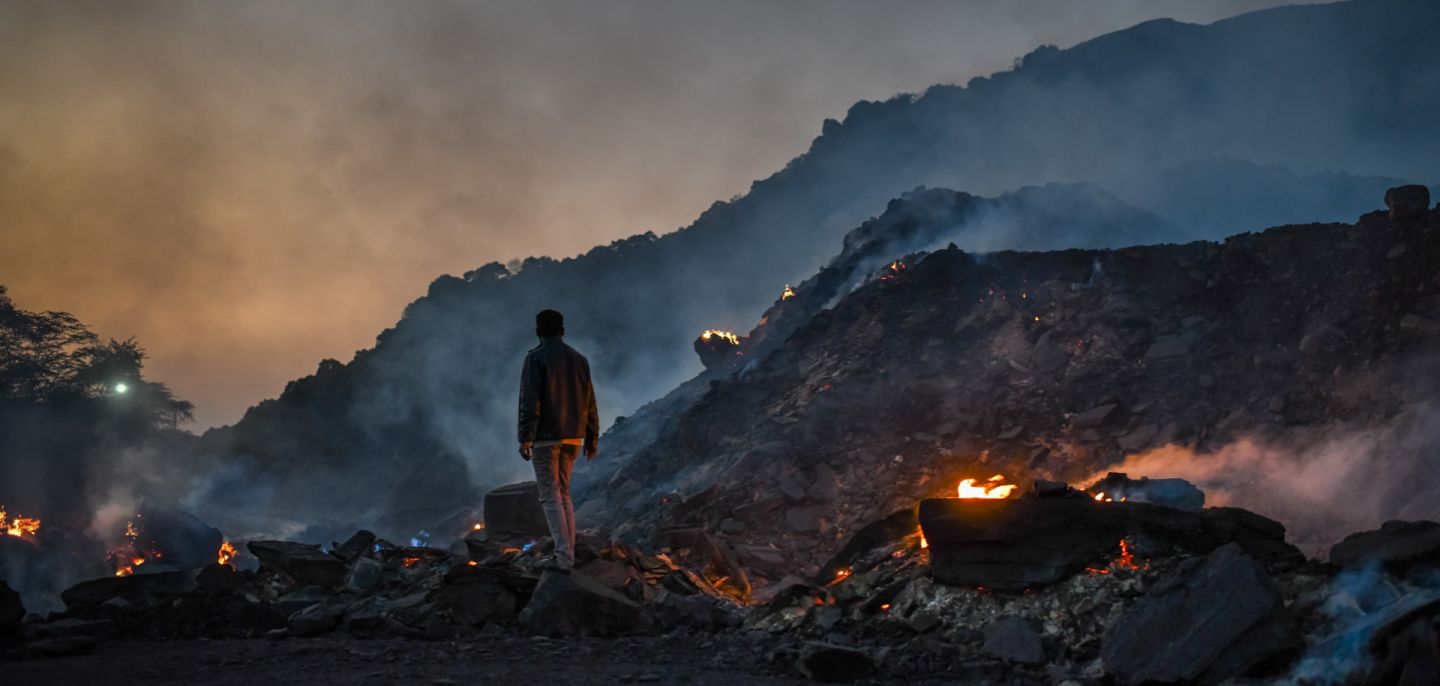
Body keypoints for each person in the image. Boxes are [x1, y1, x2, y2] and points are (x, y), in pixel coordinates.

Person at [517, 309, 599, 573]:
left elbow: (530, 401)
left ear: (538, 332)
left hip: (545, 437)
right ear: (563, 331)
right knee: (564, 494)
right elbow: (590, 400)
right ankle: (568, 553)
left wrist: (525, 436)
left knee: (550, 496)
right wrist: (592, 437)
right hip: (574, 436)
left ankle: (563, 558)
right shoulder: (579, 359)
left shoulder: (535, 359)